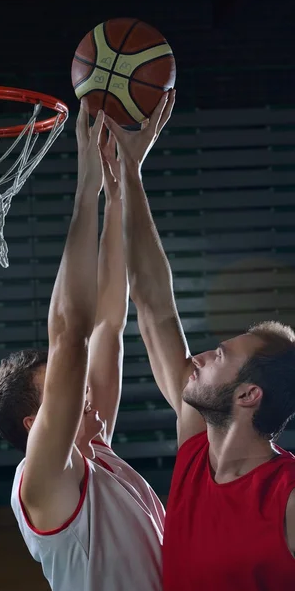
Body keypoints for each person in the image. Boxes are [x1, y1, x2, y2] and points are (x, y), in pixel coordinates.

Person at [105, 89, 295, 590]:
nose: (202, 356)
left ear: (248, 394)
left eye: (220, 356)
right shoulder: (196, 446)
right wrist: (130, 171)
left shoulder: (288, 496)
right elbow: (153, 305)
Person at [0, 103, 167, 591]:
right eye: (62, 388)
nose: (84, 390)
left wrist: (123, 183)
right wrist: (86, 186)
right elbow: (71, 333)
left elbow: (108, 322)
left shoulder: (96, 446)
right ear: (34, 423)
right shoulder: (42, 481)